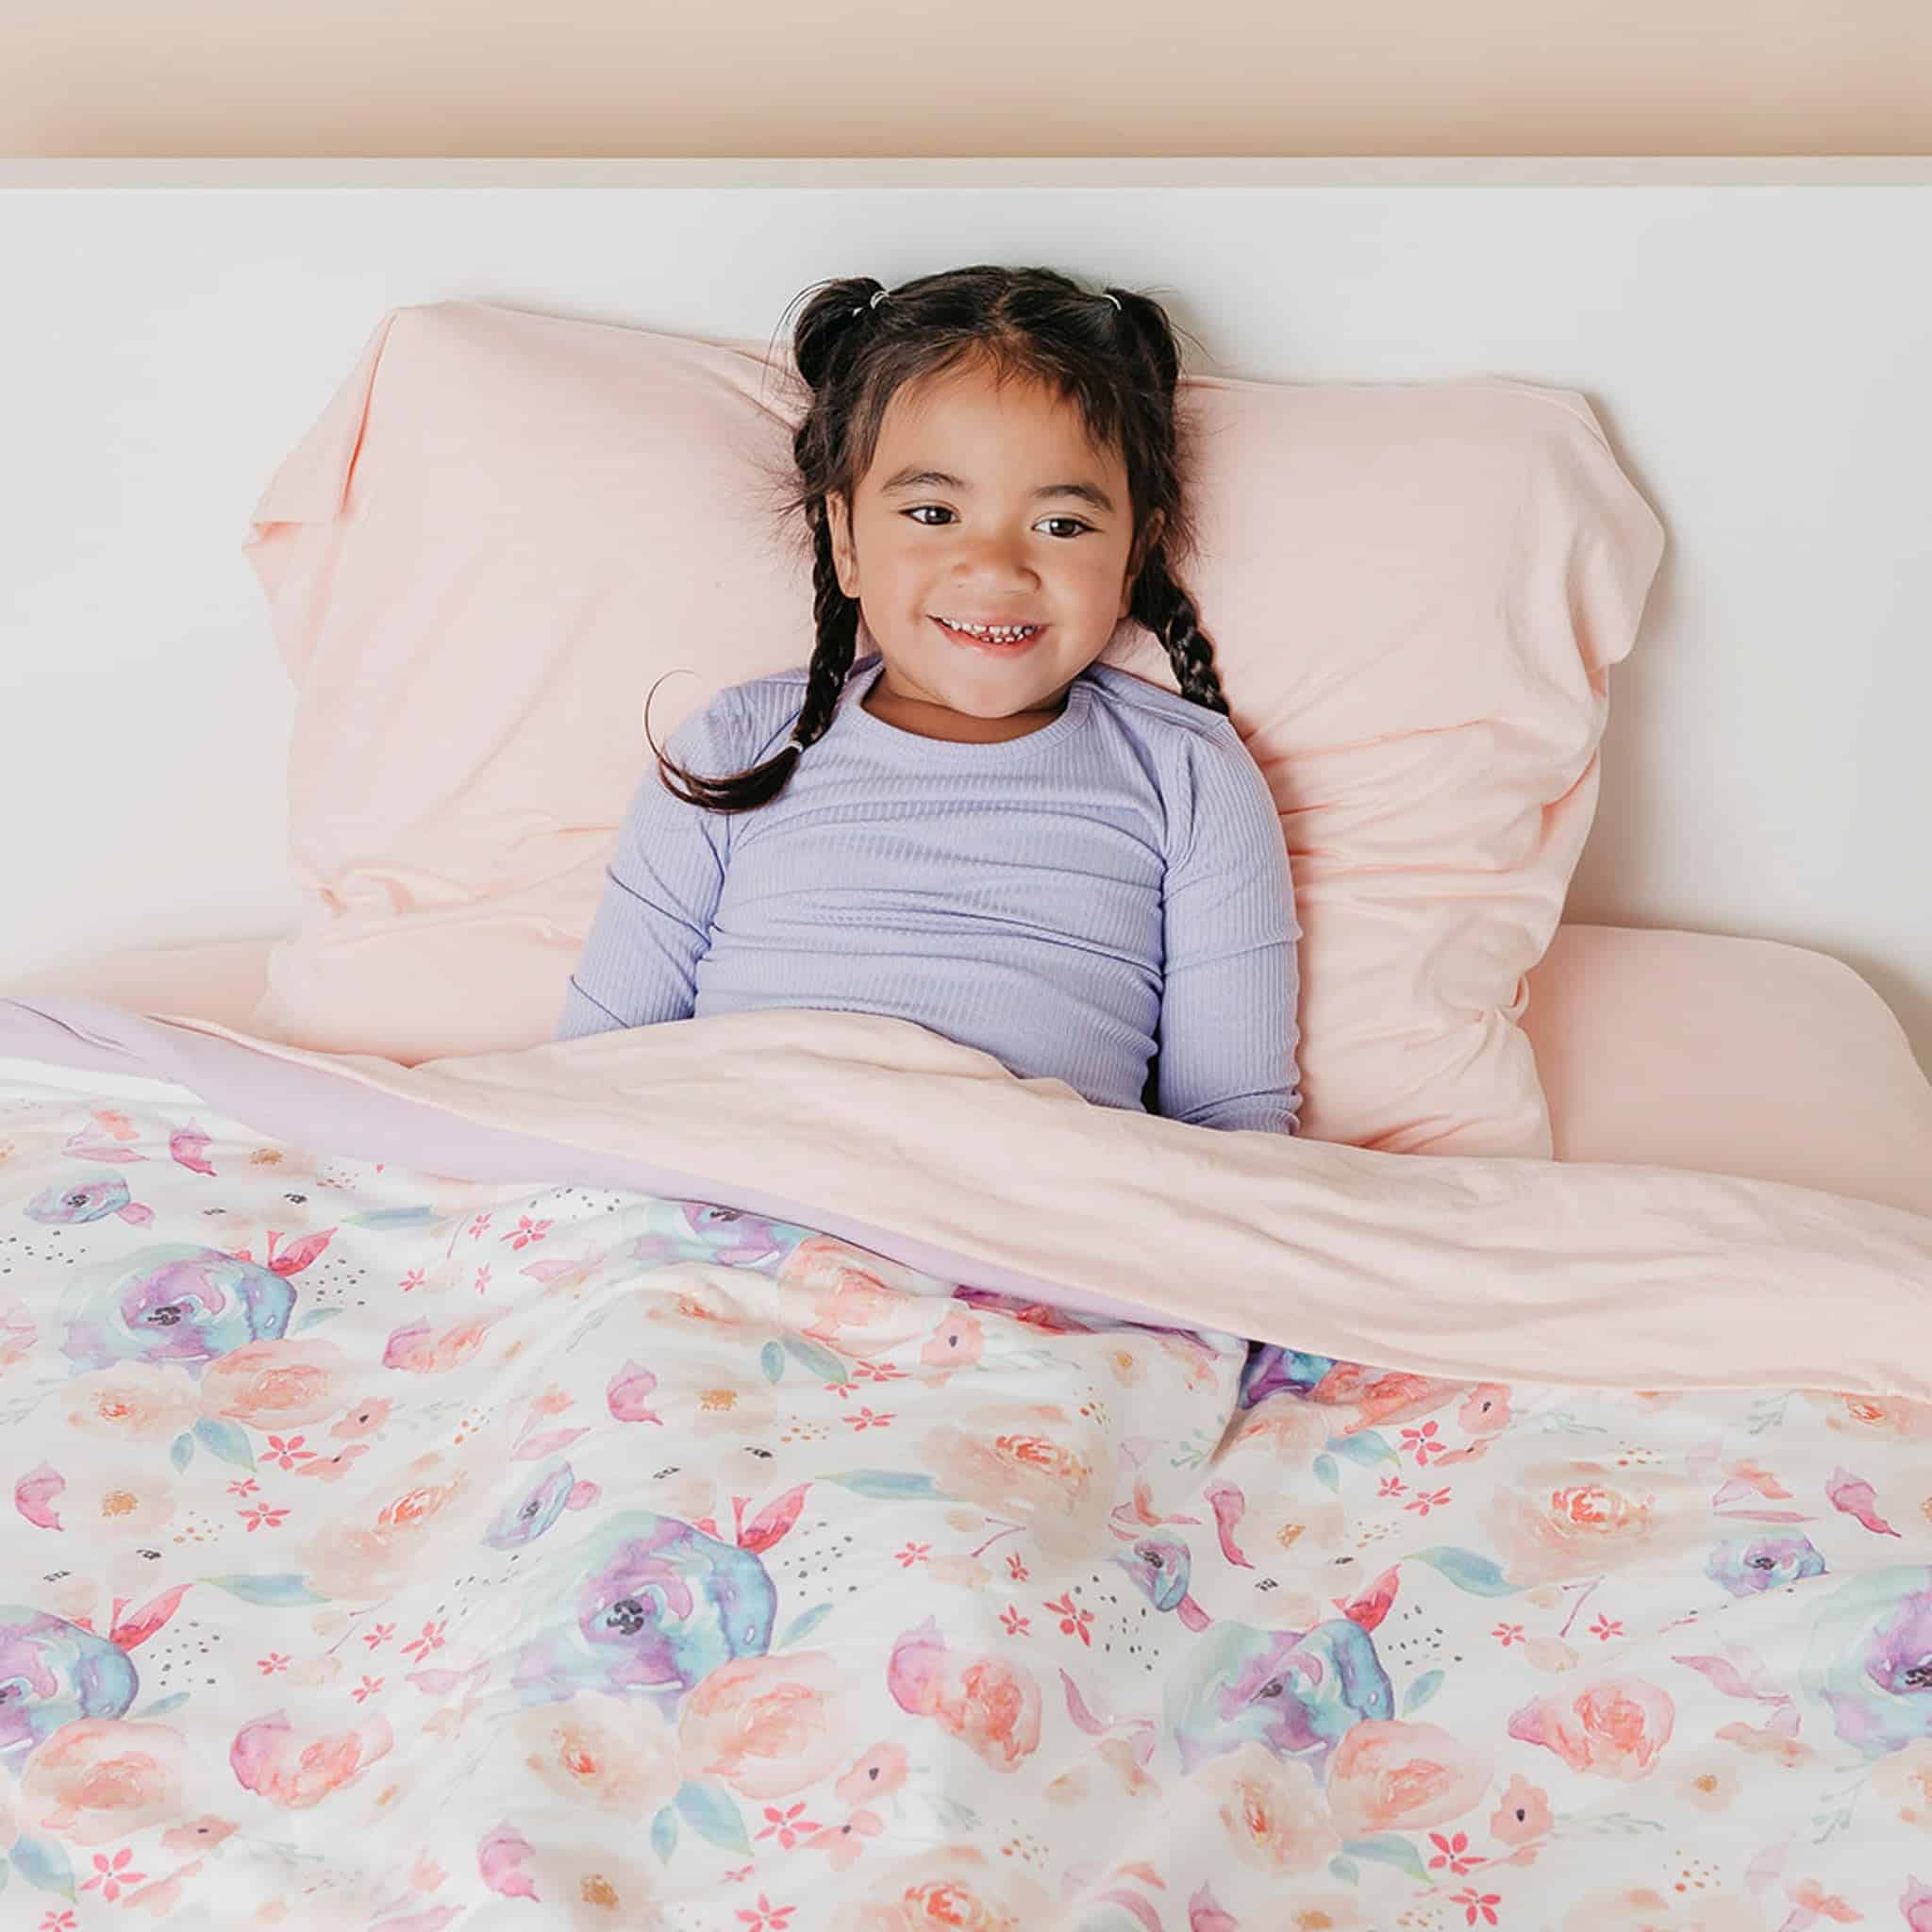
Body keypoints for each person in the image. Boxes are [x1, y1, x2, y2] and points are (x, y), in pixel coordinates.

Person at [557, 264, 1301, 1134]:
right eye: (934, 514)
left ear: (1135, 554)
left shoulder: (1189, 775)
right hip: (734, 1177)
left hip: (1019, 1197)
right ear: (844, 539)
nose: (995, 568)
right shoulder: (737, 745)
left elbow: (1235, 1129)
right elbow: (591, 1075)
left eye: (1062, 525)